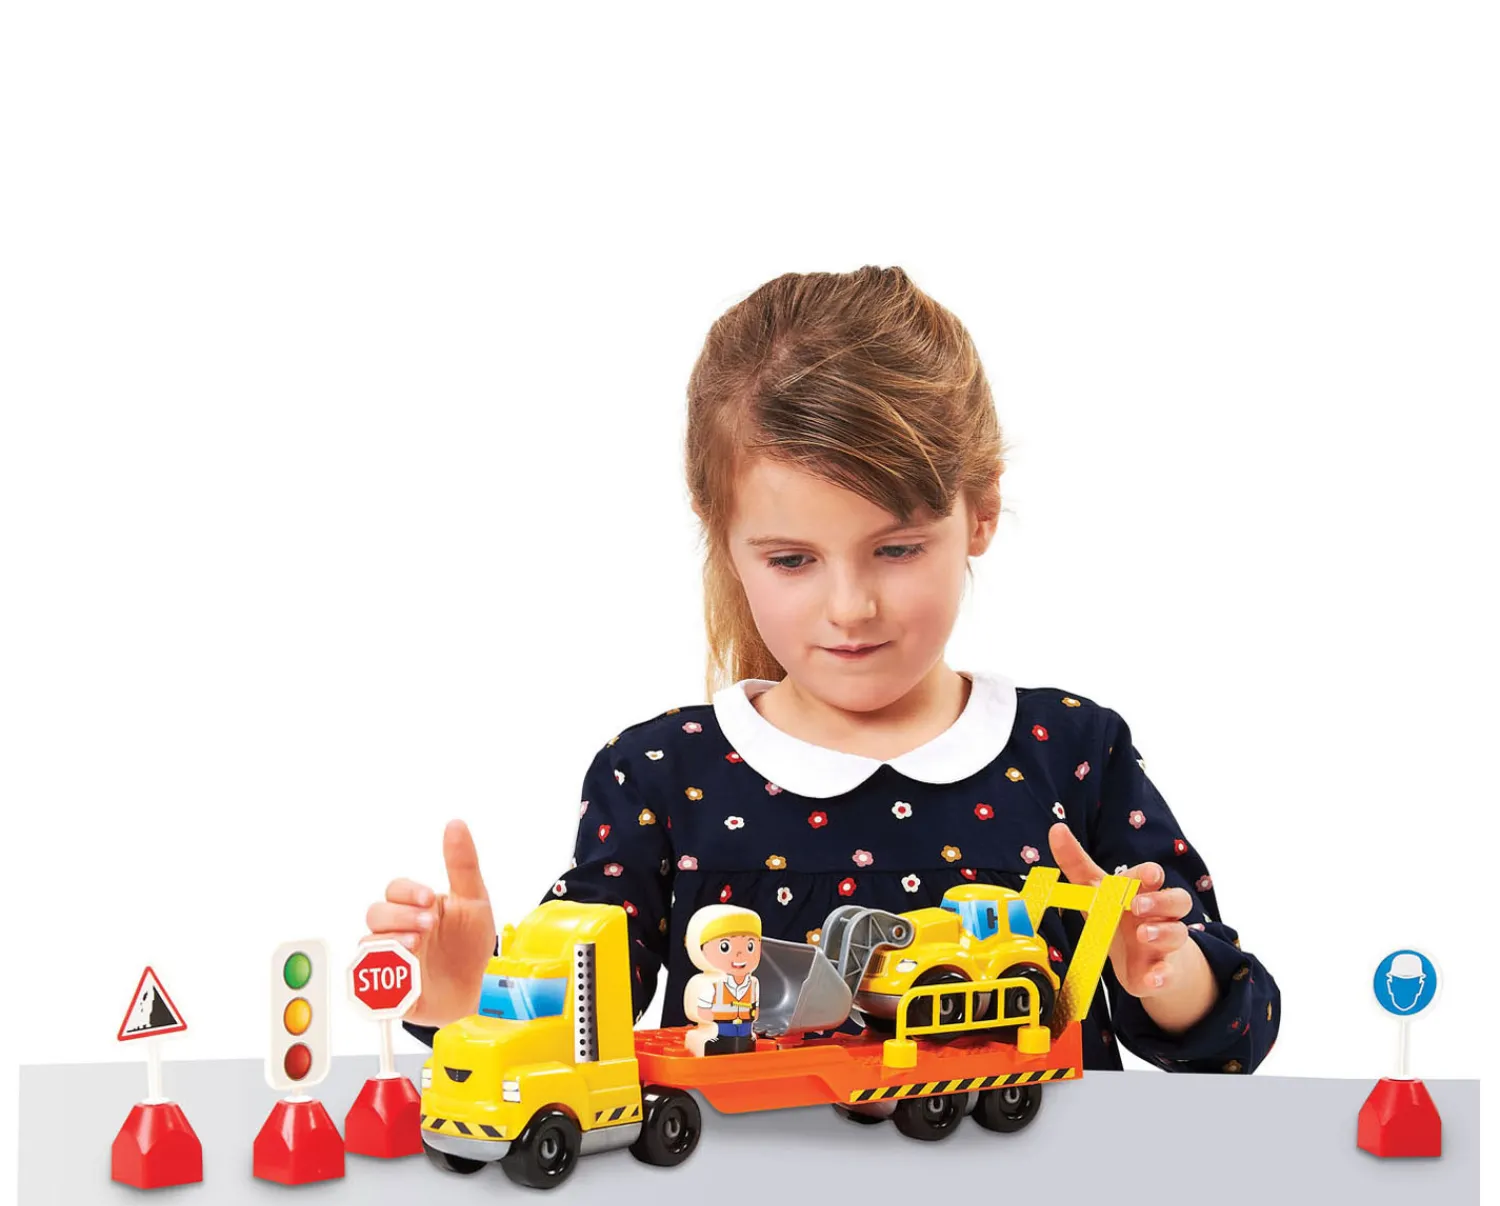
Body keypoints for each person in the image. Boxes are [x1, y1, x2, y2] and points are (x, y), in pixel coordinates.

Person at [370, 265, 1279, 1077]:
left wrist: (1166, 972)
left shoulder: (1073, 750)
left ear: (982, 511)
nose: (851, 607)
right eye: (793, 560)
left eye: (896, 548)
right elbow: (580, 1026)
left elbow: (1234, 1035)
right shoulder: (660, 774)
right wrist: (466, 999)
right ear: (725, 540)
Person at [682, 904, 764, 1056]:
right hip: (721, 1030)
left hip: (746, 1032)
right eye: (725, 947)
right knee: (717, 1046)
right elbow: (697, 1011)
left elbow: (755, 1009)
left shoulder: (753, 983)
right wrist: (710, 1016)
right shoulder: (709, 984)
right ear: (700, 948)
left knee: (745, 1046)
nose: (740, 954)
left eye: (750, 946)